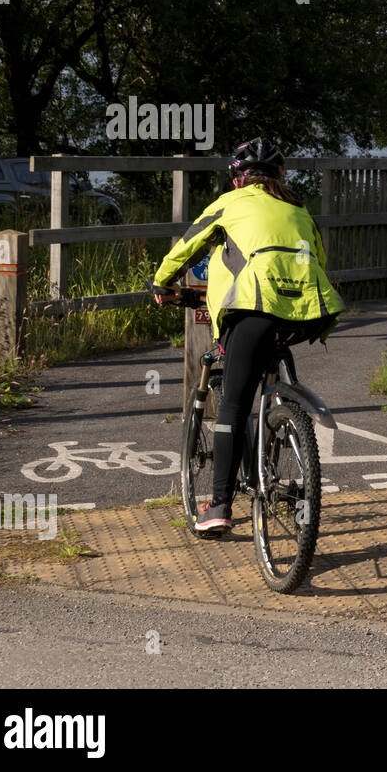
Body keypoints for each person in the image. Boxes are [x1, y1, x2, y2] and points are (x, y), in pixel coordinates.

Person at [151, 137, 344, 533]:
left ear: (238, 179)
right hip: (309, 313)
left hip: (254, 310)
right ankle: (284, 423)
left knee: (235, 405)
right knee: (269, 370)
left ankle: (220, 504)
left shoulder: (230, 202)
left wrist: (160, 282)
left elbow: (189, 243)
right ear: (278, 177)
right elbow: (321, 261)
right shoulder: (298, 208)